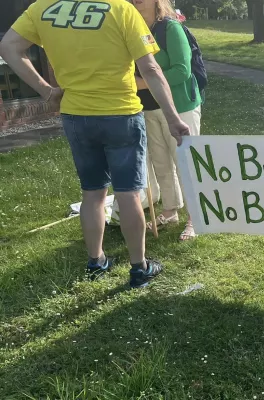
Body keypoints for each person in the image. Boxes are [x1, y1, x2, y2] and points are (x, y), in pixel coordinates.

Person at [0, 0, 190, 288]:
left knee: (92, 193)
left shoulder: (42, 8)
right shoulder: (121, 9)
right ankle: (139, 267)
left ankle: (96, 261)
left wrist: (46, 91)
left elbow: (8, 47)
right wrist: (173, 118)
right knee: (128, 193)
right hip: (121, 114)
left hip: (77, 116)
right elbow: (150, 68)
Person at [130, 0, 202, 242]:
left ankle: (195, 217)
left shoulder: (171, 28)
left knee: (185, 162)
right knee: (160, 162)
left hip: (180, 107)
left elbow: (182, 70)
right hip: (148, 107)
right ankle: (170, 211)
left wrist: (141, 83)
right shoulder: (133, 28)